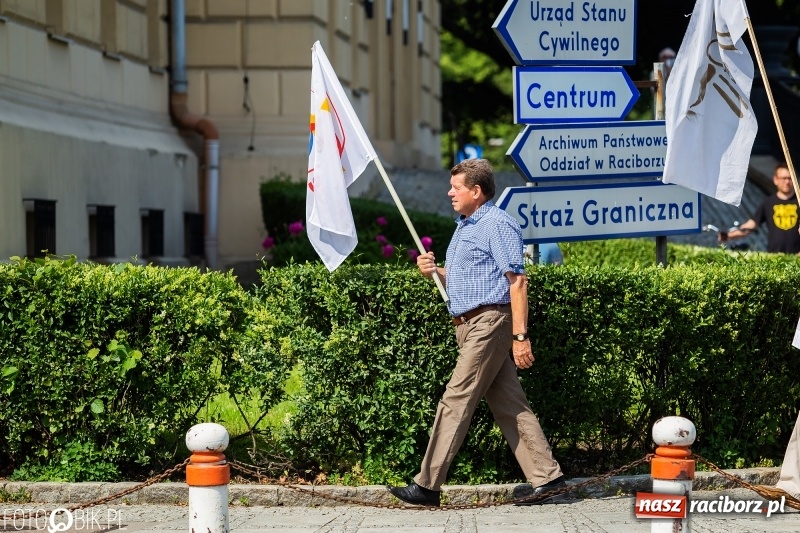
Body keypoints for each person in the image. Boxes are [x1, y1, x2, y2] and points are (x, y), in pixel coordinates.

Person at [387, 159, 565, 506]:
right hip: (469, 326)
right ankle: (549, 478)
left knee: (456, 399)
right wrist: (434, 271)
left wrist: (520, 337)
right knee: (511, 405)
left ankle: (426, 486)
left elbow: (518, 281)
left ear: (476, 191)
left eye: (456, 187)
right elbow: (467, 279)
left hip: (488, 325)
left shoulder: (497, 225)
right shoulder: (466, 225)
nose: (450, 192)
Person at [718, 162, 800, 254]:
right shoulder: (768, 203)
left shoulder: (799, 201)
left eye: (790, 178)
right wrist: (729, 235)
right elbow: (751, 225)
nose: (787, 182)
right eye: (783, 178)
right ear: (775, 180)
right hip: (774, 256)